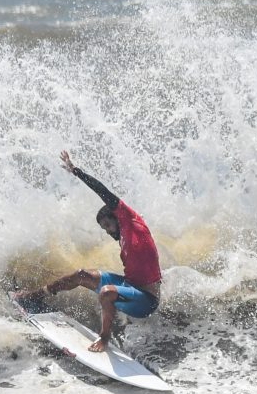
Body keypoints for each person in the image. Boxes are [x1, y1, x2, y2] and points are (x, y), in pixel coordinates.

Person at [13, 150, 162, 352]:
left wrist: (76, 171)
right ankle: (35, 295)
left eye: (108, 225)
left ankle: (104, 339)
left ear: (118, 217)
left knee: (106, 292)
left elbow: (102, 191)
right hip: (130, 288)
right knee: (81, 275)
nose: (108, 231)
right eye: (104, 228)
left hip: (146, 301)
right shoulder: (123, 237)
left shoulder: (131, 221)